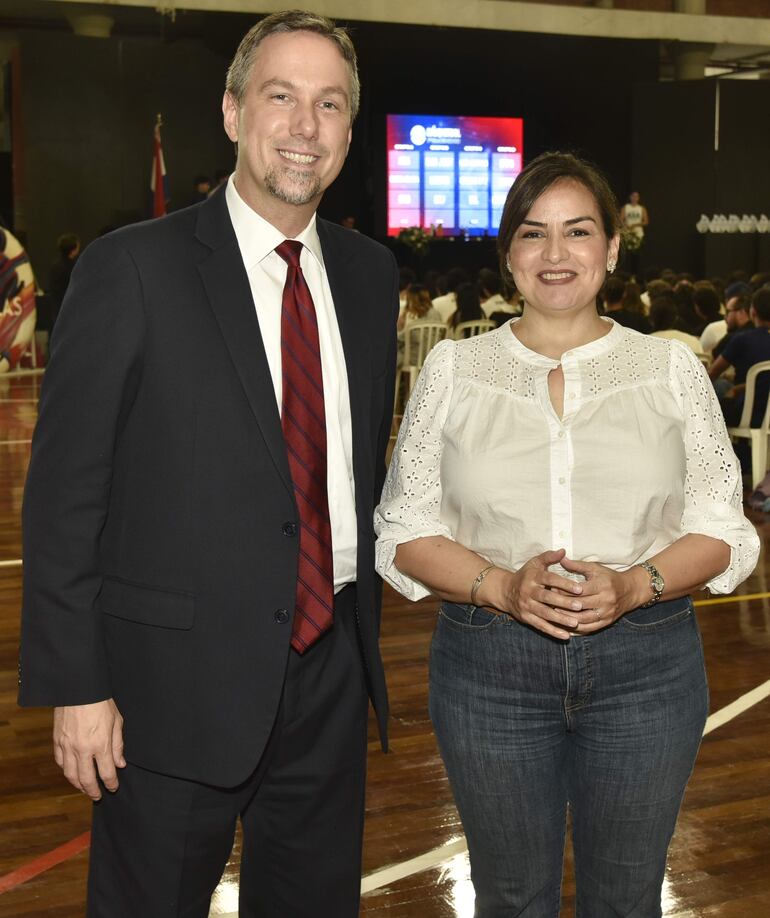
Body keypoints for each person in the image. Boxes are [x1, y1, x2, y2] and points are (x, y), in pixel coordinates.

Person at [19, 10, 398, 918]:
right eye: (281, 97)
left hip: (328, 675)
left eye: (330, 104)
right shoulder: (133, 269)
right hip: (166, 692)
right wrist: (78, 687)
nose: (305, 127)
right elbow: (66, 497)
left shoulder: (369, 276)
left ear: (349, 129)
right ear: (231, 112)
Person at [375, 151, 758, 917]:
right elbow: (403, 529)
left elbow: (723, 528)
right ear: (509, 252)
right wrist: (504, 587)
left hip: (647, 665)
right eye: (533, 233)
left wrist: (634, 584)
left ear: (612, 248)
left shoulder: (669, 371)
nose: (555, 255)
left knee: (625, 899)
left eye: (577, 232)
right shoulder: (455, 370)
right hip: (489, 667)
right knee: (512, 898)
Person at [709, 287, 770, 426]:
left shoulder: (743, 339)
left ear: (752, 311)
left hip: (749, 413)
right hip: (765, 413)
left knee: (707, 408)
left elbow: (712, 372)